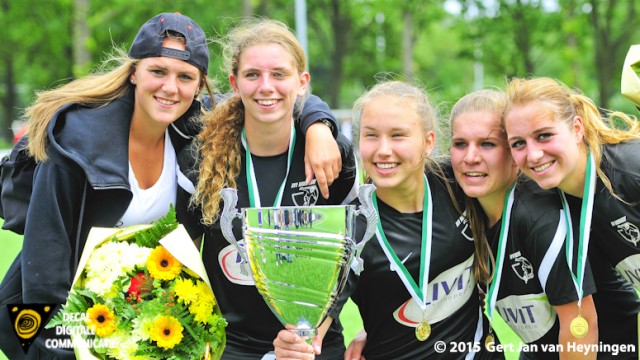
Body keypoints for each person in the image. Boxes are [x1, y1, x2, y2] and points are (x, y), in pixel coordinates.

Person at [0, 12, 340, 359]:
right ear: (134, 73)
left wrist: (318, 123)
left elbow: (269, 97)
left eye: (185, 77)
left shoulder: (193, 132)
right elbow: (46, 264)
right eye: (158, 71)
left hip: (129, 321)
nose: (170, 88)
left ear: (199, 85)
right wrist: (60, 350)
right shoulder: (76, 141)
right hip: (46, 317)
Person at [176, 19, 358, 360]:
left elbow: (351, 259)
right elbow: (181, 259)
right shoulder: (201, 158)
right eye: (252, 75)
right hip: (232, 347)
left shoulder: (331, 151)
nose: (266, 86)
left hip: (315, 342)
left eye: (279, 74)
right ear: (234, 83)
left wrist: (308, 335)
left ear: (302, 83)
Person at [281, 80, 487, 360]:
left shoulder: (458, 182)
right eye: (371, 136)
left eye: (398, 135)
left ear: (428, 141)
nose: (383, 150)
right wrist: (297, 344)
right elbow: (315, 325)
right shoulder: (351, 230)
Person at [450, 89, 598, 358]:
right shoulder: (461, 202)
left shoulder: (538, 218)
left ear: (514, 152)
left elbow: (581, 325)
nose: (470, 157)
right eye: (460, 144)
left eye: (487, 144)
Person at [503, 76, 640, 357]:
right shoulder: (559, 198)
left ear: (577, 129)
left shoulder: (630, 171)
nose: (534, 154)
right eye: (518, 143)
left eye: (544, 135)